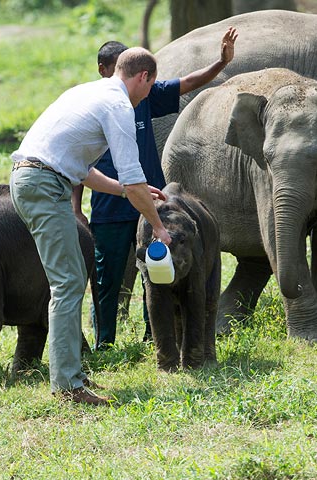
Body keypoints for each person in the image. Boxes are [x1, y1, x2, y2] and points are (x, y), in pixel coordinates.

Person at [10, 47, 171, 406]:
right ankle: (68, 385)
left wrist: (127, 191)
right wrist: (158, 226)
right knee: (67, 283)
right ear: (143, 76)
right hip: (43, 184)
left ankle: (70, 372)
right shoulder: (118, 106)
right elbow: (132, 177)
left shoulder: (86, 92)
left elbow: (82, 170)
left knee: (67, 279)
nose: (148, 95)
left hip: (35, 181)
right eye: (150, 85)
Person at [72, 27, 238, 350]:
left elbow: (187, 83)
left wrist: (220, 63)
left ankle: (156, 338)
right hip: (109, 208)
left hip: (152, 207)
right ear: (103, 70)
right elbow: (78, 163)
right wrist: (76, 207)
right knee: (106, 280)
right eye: (113, 69)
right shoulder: (95, 104)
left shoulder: (145, 96)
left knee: (158, 271)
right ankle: (105, 341)